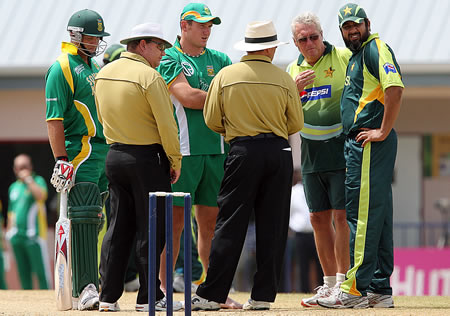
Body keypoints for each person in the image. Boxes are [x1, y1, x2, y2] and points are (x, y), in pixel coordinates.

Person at [191, 20, 304, 311]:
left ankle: (212, 294)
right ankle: (263, 296)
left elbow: (211, 118)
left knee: (230, 222)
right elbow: (296, 123)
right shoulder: (283, 79)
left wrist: (235, 130)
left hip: (242, 150)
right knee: (274, 226)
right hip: (278, 151)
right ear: (269, 48)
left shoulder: (226, 76)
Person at [317, 3, 404, 309]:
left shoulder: (374, 48)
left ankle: (353, 289)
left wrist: (382, 130)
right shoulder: (358, 55)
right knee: (377, 215)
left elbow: (395, 88)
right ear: (341, 30)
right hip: (365, 143)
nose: (352, 30)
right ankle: (379, 289)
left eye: (356, 25)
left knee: (361, 216)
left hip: (368, 142)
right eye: (346, 27)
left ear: (367, 23)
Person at [95, 22, 182, 312]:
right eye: (160, 47)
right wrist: (174, 159)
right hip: (147, 158)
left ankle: (107, 297)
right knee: (152, 228)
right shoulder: (150, 77)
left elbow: (101, 115)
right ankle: (149, 297)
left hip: (115, 154)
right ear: (142, 44)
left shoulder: (103, 73)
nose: (162, 53)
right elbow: (167, 126)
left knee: (117, 227)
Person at [156, 2, 235, 307]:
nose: (207, 30)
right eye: (200, 24)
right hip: (183, 153)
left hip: (216, 150)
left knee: (210, 224)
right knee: (175, 224)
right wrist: (223, 96)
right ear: (184, 26)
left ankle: (212, 292)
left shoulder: (221, 59)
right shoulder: (169, 57)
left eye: (210, 25)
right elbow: (187, 96)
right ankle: (163, 292)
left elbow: (235, 94)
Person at [45, 9, 110, 310]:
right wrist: (61, 158)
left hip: (103, 149)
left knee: (97, 219)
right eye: (92, 36)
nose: (96, 42)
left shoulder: (92, 66)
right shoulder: (62, 67)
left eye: (99, 37)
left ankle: (96, 283)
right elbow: (54, 119)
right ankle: (86, 287)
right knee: (83, 214)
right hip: (80, 150)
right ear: (75, 35)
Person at [286, 12, 351, 306]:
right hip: (310, 152)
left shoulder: (344, 57)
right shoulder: (291, 70)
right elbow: (285, 114)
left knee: (341, 217)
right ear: (295, 42)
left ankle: (343, 282)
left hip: (340, 148)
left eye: (314, 36)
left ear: (323, 34)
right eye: (303, 39)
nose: (310, 43)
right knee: (317, 218)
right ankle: (326, 284)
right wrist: (294, 90)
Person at [99, 42, 140, 293]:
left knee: (128, 221)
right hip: (110, 161)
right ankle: (109, 279)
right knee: (114, 223)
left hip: (120, 158)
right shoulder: (102, 84)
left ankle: (128, 276)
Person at [6, 154, 50, 290]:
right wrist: (8, 234)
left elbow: (41, 196)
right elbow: (11, 213)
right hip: (16, 237)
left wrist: (29, 180)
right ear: (15, 169)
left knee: (41, 273)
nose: (22, 170)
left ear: (30, 167)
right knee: (23, 273)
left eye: (24, 166)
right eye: (19, 167)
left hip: (34, 236)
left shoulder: (38, 180)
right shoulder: (13, 187)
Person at [288, 169, 323, 293]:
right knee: (303, 266)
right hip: (300, 235)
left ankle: (324, 289)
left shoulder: (315, 189)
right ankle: (304, 291)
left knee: (321, 266)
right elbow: (290, 213)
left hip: (316, 233)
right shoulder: (293, 192)